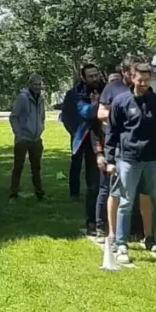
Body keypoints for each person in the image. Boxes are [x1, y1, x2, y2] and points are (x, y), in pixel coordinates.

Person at [106, 63, 156, 266]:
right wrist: (110, 160)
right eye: (140, 80)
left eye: (147, 80)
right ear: (132, 78)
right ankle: (121, 245)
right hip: (128, 160)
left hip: (154, 160)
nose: (143, 83)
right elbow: (112, 133)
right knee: (126, 203)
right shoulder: (120, 102)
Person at [96, 58, 150, 245]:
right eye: (128, 72)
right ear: (124, 72)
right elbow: (100, 113)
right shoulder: (113, 88)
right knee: (115, 191)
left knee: (140, 193)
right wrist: (119, 110)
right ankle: (110, 232)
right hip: (118, 148)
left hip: (139, 149)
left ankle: (140, 231)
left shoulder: (144, 91)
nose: (131, 76)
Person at [62, 65, 104, 236]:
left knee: (101, 179)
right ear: (83, 78)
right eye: (90, 76)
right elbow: (83, 112)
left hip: (102, 137)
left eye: (96, 75)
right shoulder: (75, 93)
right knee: (81, 169)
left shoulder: (104, 89)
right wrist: (96, 106)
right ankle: (75, 194)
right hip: (82, 136)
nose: (94, 79)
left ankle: (103, 218)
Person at [9, 74, 47, 200]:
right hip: (23, 138)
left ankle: (39, 193)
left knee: (36, 168)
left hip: (36, 139)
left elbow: (42, 116)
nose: (37, 87)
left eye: (39, 85)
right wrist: (18, 134)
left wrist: (41, 128)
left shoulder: (41, 99)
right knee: (18, 167)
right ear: (29, 84)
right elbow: (13, 117)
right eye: (35, 84)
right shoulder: (22, 98)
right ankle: (13, 194)